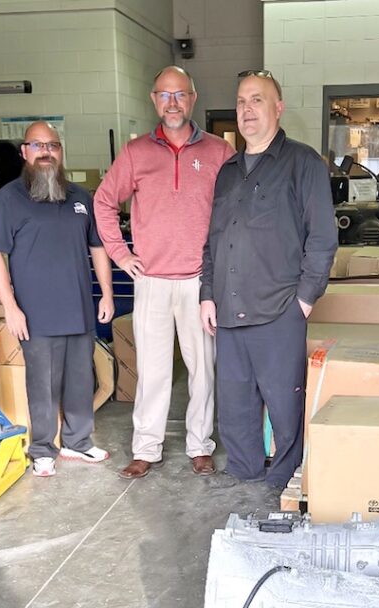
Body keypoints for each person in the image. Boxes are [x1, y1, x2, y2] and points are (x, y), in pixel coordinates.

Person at [94, 66, 234, 480]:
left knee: (203, 370)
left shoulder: (219, 152)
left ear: (193, 98)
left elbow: (235, 212)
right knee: (153, 371)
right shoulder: (136, 153)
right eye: (164, 95)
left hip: (200, 282)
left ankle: (200, 445)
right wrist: (121, 254)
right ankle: (146, 449)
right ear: (155, 101)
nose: (172, 103)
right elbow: (104, 202)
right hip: (152, 280)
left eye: (180, 95)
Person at [200, 72, 337, 490]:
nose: (247, 110)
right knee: (236, 402)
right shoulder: (227, 172)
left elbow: (323, 237)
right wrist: (208, 295)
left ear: (278, 108)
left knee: (284, 401)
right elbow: (212, 240)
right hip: (228, 307)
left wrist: (305, 299)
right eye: (241, 102)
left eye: (257, 100)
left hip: (279, 310)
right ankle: (243, 471)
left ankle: (284, 476)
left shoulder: (303, 163)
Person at [0, 122, 114, 478]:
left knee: (80, 381)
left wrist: (107, 293)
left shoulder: (80, 198)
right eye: (37, 145)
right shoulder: (10, 198)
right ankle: (41, 448)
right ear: (24, 152)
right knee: (42, 385)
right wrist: (11, 307)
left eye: (52, 145)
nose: (46, 152)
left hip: (79, 310)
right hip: (36, 315)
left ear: (61, 152)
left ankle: (78, 442)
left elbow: (98, 247)